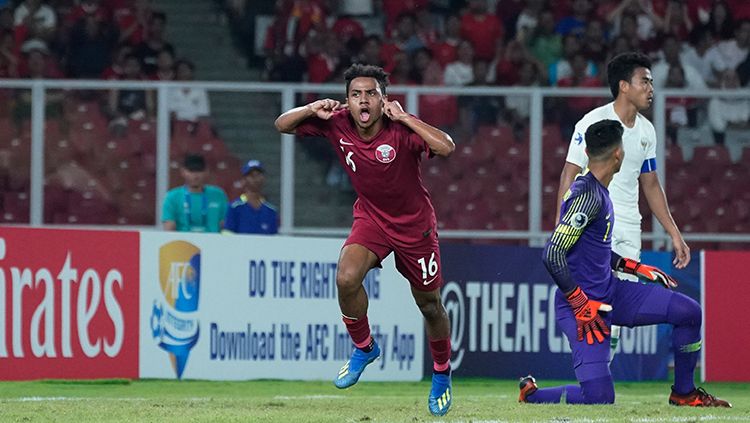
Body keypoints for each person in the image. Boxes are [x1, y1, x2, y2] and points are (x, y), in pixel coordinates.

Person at [274, 63, 455, 417]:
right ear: (347, 101)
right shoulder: (336, 121)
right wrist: (311, 108)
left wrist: (405, 119)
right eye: (356, 94)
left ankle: (441, 371)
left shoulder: (401, 129)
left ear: (383, 99)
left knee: (430, 305)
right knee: (345, 277)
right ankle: (364, 346)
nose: (363, 100)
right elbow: (282, 124)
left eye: (371, 93)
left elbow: (446, 147)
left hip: (415, 227)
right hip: (371, 219)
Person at [520, 119, 731, 407]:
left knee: (688, 312)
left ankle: (684, 393)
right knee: (600, 397)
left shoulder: (600, 192)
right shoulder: (586, 196)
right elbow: (552, 253)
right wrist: (580, 303)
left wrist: (634, 268)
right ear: (618, 153)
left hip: (611, 293)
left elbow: (593, 250)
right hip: (583, 308)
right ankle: (532, 396)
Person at [555, 52, 690, 361]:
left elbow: (651, 184)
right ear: (624, 86)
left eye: (652, 82)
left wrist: (675, 234)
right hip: (589, 225)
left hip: (627, 227)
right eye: (645, 81)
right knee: (595, 308)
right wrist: (562, 227)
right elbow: (569, 173)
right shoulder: (593, 122)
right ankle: (593, 381)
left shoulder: (646, 132)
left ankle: (596, 381)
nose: (651, 89)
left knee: (612, 314)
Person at [162, 154, 228, 233]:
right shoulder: (172, 197)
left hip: (213, 242)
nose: (195, 176)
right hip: (184, 242)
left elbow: (225, 225)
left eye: (199, 171)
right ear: (183, 172)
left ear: (206, 172)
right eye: (191, 171)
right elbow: (169, 228)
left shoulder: (218, 195)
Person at [223, 159, 279, 235]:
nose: (256, 179)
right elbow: (228, 235)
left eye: (258, 175)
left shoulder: (271, 211)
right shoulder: (235, 207)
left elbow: (274, 239)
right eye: (251, 175)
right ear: (244, 179)